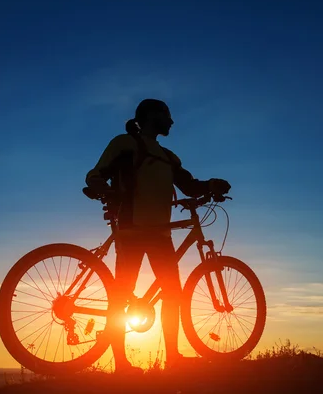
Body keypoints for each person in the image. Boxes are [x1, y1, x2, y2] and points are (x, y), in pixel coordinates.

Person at [85, 99, 231, 372]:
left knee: (172, 294)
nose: (172, 122)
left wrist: (210, 185)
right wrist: (101, 188)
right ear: (152, 116)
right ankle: (121, 364)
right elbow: (97, 173)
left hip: (160, 234)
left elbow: (188, 185)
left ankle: (173, 358)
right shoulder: (125, 144)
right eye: (167, 116)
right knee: (122, 294)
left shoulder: (168, 157)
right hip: (132, 229)